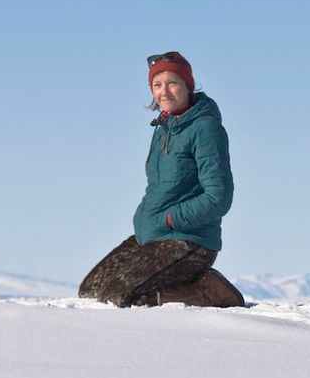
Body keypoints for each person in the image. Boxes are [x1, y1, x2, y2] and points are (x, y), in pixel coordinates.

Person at [79, 51, 245, 307]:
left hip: (190, 240)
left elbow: (218, 198)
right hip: (154, 235)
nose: (164, 92)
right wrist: (144, 218)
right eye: (157, 85)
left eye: (172, 83)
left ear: (188, 86)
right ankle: (187, 282)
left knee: (118, 297)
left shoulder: (205, 129)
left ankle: (209, 291)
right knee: (90, 292)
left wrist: (170, 219)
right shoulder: (163, 129)